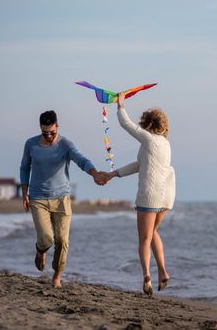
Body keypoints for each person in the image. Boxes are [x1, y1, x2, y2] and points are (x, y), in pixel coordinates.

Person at [20, 110, 105, 288]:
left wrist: (95, 174)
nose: (49, 136)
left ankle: (57, 276)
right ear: (40, 129)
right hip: (38, 198)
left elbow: (82, 160)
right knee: (46, 238)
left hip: (61, 199)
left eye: (53, 132)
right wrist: (24, 193)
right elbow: (24, 168)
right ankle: (40, 249)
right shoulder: (31, 144)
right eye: (45, 133)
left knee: (62, 240)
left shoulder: (65, 144)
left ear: (57, 127)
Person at [101, 92, 175, 296]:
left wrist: (121, 105)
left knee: (143, 238)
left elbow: (127, 125)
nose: (141, 127)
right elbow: (139, 165)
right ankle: (163, 272)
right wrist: (114, 174)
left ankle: (147, 277)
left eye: (144, 124)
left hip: (149, 197)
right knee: (152, 234)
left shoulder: (150, 140)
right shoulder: (164, 145)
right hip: (165, 198)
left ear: (150, 125)